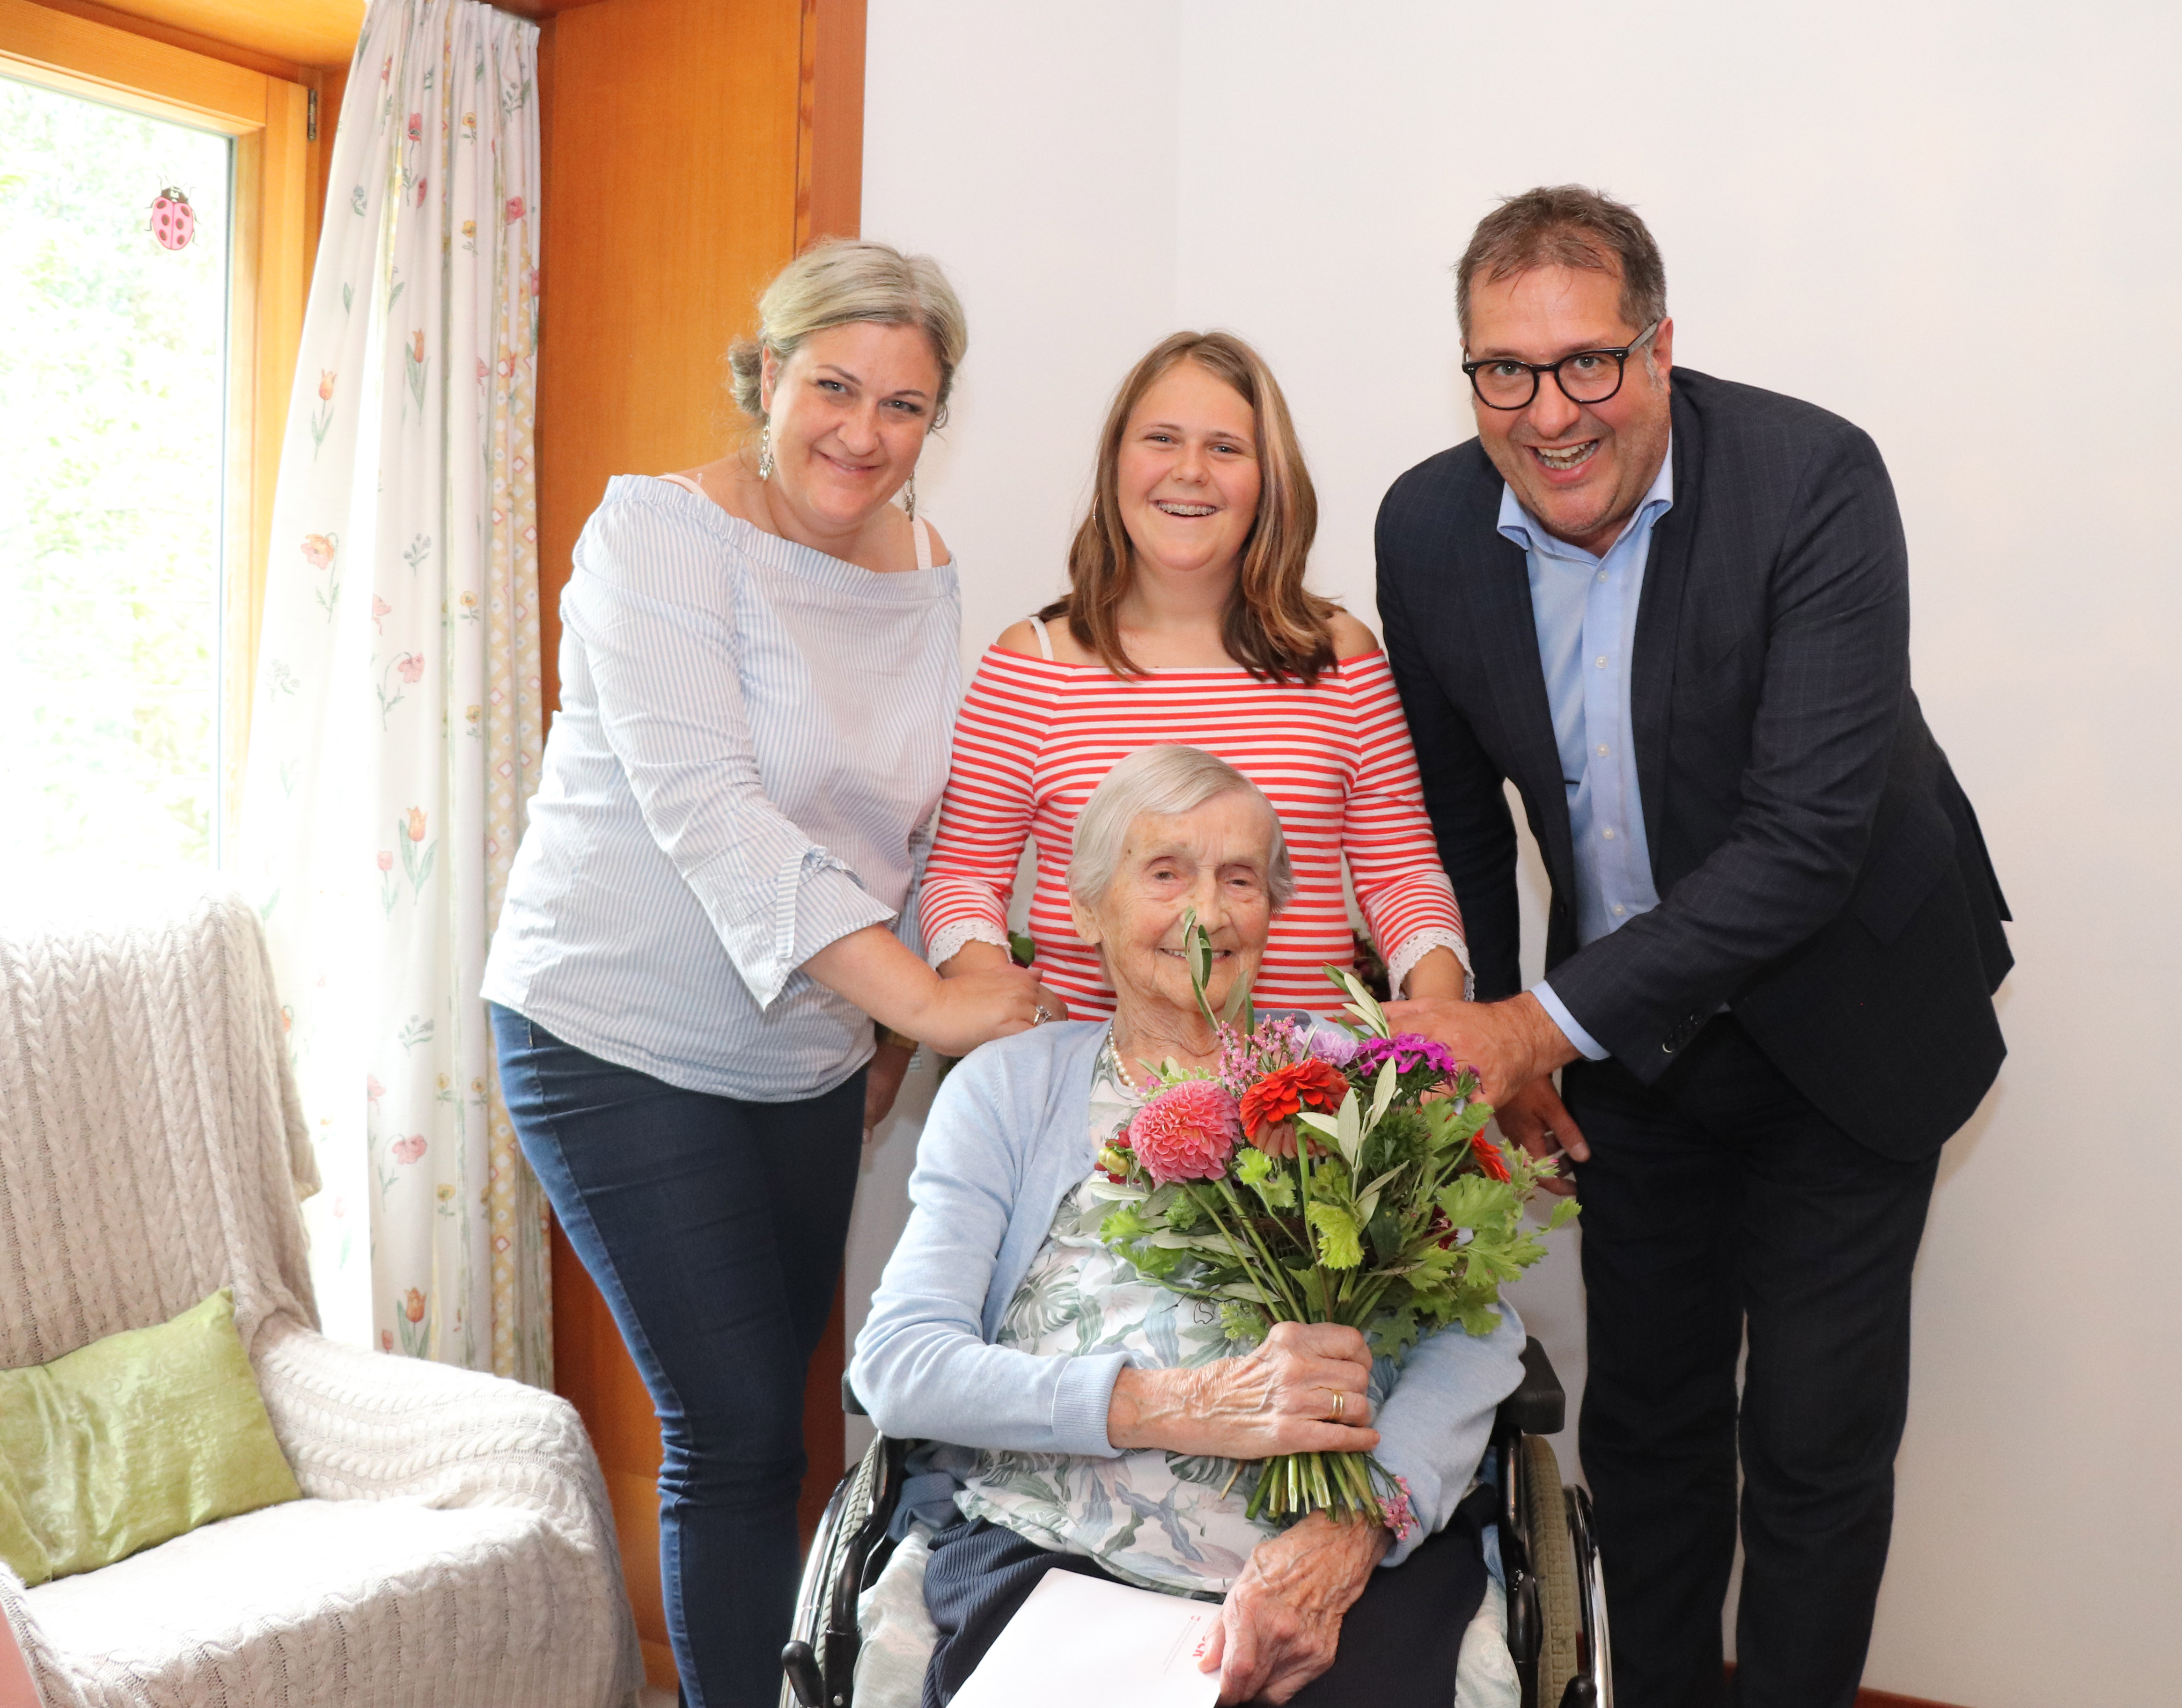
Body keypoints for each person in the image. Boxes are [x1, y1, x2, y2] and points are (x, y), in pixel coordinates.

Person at [1374, 187, 2013, 1708]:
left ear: (1660, 348)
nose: (1550, 412)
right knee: (1646, 1431)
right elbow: (1457, 819)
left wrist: (1534, 1025)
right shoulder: (1426, 525)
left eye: (1588, 361)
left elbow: (1802, 843)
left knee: (1812, 1443)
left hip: (1850, 1023)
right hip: (1631, 1051)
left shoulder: (1810, 479)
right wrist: (1501, 1042)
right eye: (1505, 371)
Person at [482, 237, 1058, 1708]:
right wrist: (924, 1002)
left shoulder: (921, 565)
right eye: (834, 388)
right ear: (765, 375)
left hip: (804, 1051)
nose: (863, 433)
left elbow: (908, 818)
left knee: (791, 1418)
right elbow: (715, 811)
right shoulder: (658, 534)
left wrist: (888, 1037)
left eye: (905, 405)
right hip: (613, 1030)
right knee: (732, 1431)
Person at [852, 746, 1525, 1708]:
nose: (1207, 913)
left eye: (1239, 879)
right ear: (1087, 908)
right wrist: (1173, 1404)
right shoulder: (1011, 1086)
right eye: (1165, 873)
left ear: (1272, 911)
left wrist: (1355, 1528)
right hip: (1057, 1542)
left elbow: (1474, 1332)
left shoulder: (1358, 1082)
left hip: (1331, 1553)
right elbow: (903, 1365)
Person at [918, 330, 1469, 1021]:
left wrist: (1440, 1020)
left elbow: (1402, 876)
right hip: (1088, 1070)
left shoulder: (1340, 658)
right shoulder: (1034, 662)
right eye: (1161, 439)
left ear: (1269, 479)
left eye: (1225, 448)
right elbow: (963, 877)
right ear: (1116, 463)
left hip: (1302, 1078)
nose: (1190, 471)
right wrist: (1013, 1020)